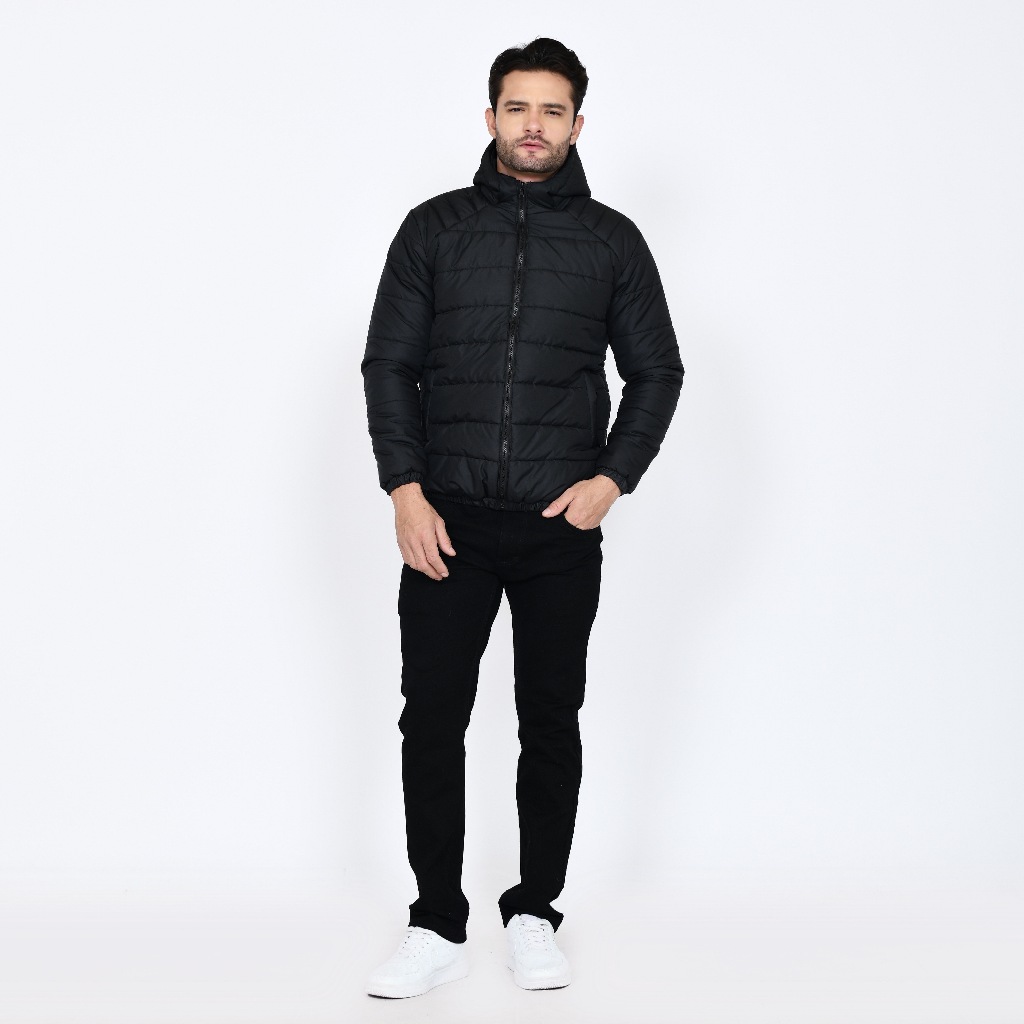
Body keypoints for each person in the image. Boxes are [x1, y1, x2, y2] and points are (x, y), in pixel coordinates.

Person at [361, 37, 684, 999]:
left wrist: (612, 480)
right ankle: (435, 922)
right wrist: (404, 488)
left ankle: (535, 911)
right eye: (517, 107)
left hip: (557, 527)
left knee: (550, 719)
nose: (533, 125)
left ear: (577, 124)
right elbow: (389, 364)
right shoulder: (433, 229)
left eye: (551, 110)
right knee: (432, 720)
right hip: (447, 522)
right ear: (490, 117)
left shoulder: (612, 241)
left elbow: (657, 371)